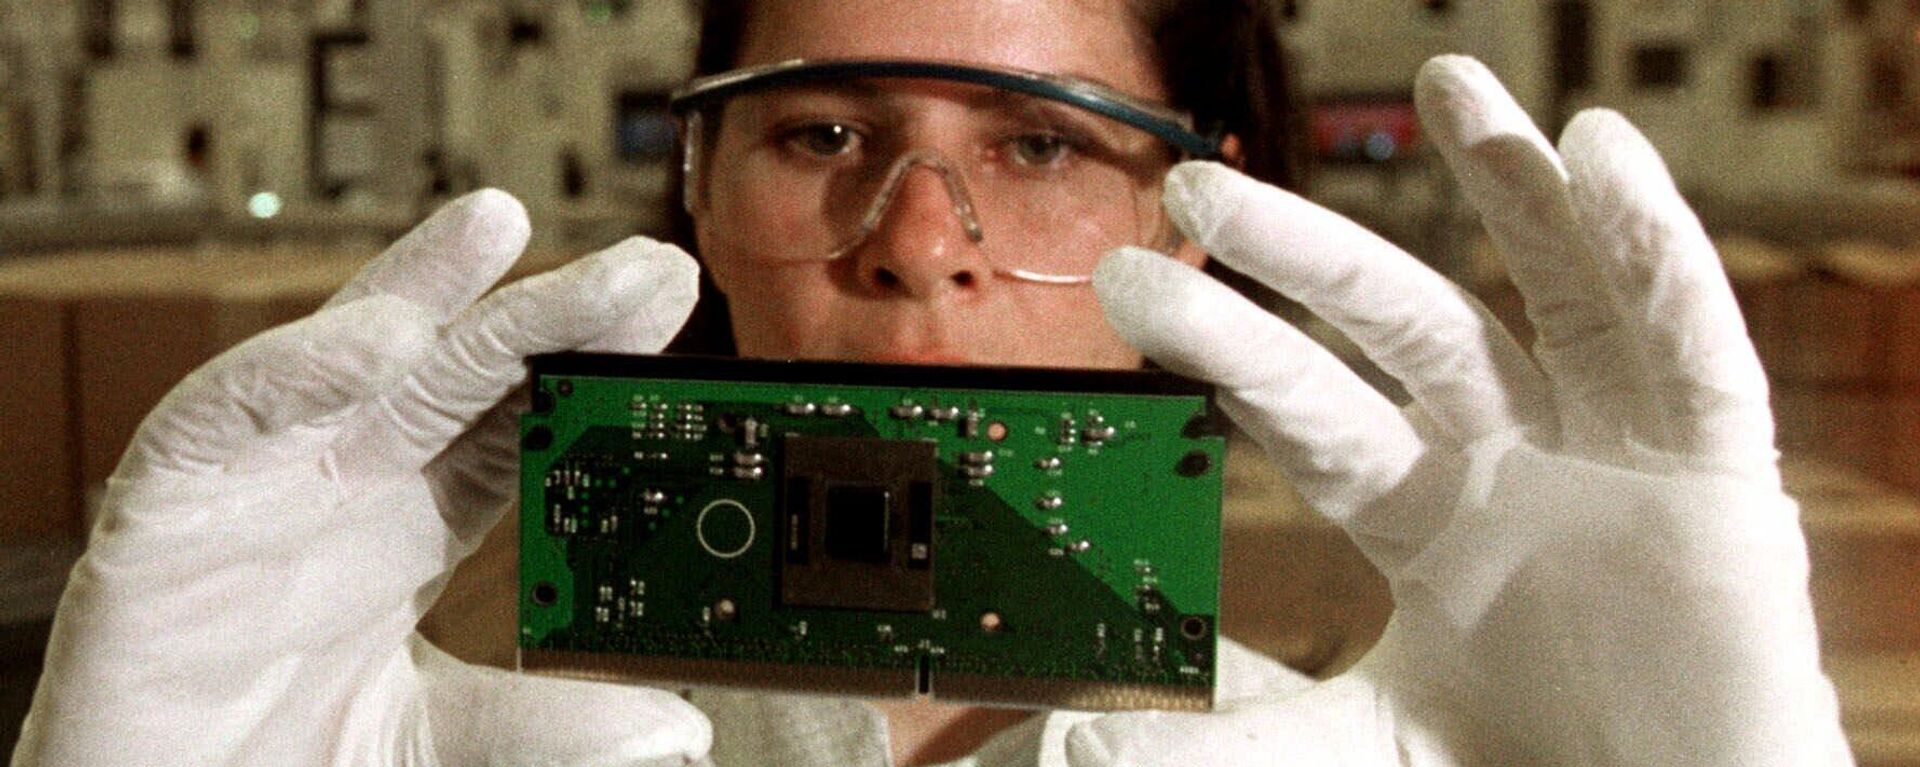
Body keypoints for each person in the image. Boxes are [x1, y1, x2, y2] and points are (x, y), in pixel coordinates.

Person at [12, 0, 1854, 765]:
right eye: (823, 129)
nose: (917, 236)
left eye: (1043, 146)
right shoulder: (369, 736)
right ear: (696, 192)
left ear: (1194, 219)